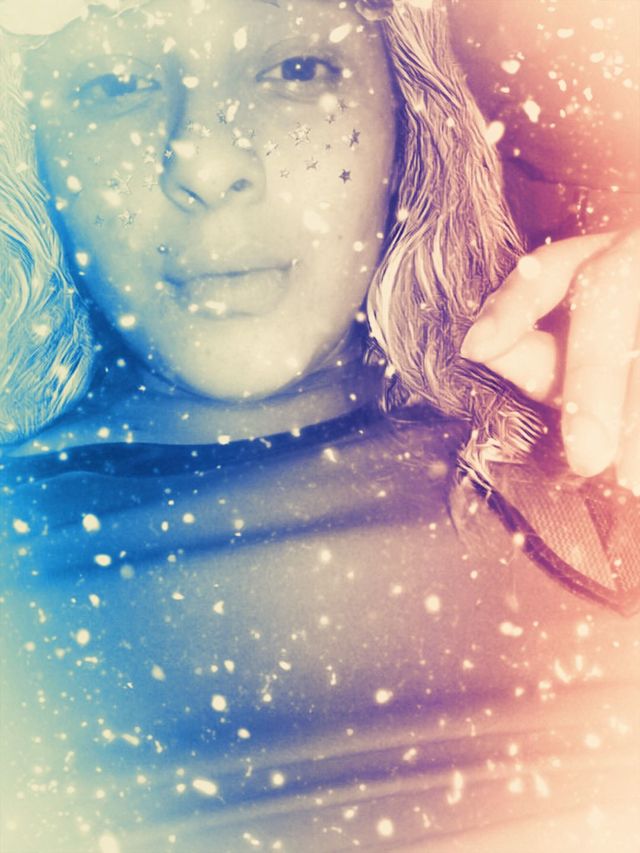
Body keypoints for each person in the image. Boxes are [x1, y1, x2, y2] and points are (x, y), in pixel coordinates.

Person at [0, 1, 638, 851]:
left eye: (297, 69)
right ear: (29, 142)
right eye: (117, 81)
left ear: (410, 113)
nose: (206, 158)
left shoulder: (599, 467)